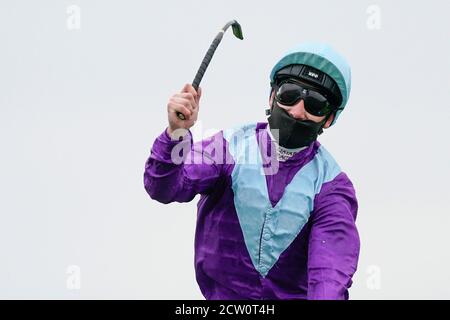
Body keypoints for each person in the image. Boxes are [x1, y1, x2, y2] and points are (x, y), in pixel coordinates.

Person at [143, 42, 360, 300]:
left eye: (315, 103)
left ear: (329, 119)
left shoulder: (333, 187)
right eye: (289, 94)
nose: (297, 111)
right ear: (272, 96)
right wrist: (176, 132)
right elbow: (163, 188)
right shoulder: (226, 148)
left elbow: (329, 276)